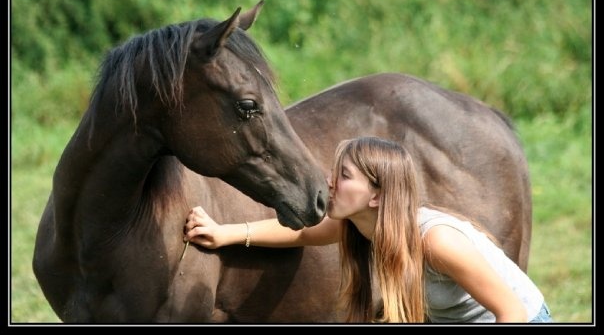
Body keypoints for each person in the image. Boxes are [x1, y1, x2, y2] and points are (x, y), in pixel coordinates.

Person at [183, 136, 553, 324]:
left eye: (344, 177)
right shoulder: (357, 227)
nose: (330, 183)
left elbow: (511, 312)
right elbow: (300, 233)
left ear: (377, 196)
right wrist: (225, 233)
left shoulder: (436, 240)